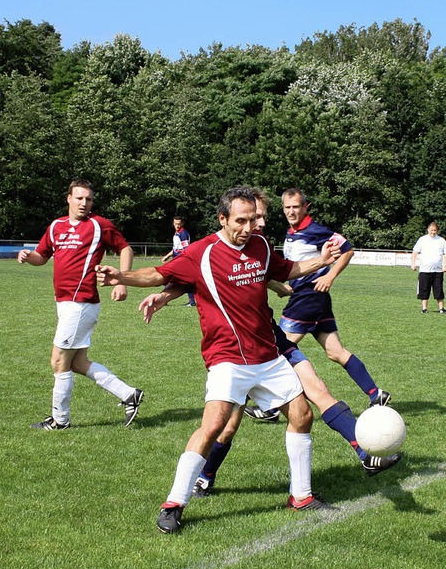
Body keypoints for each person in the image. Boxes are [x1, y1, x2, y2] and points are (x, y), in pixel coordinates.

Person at [97, 187, 342, 534]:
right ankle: (174, 503)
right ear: (223, 219)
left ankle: (301, 496)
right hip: (227, 357)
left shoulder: (260, 245)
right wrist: (122, 276)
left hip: (268, 356)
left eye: (252, 220)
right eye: (240, 221)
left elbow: (288, 269)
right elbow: (159, 273)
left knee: (302, 416)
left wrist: (323, 259)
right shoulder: (202, 252)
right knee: (212, 426)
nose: (247, 227)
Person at [140, 189, 401, 499]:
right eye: (254, 216)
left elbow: (272, 274)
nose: (259, 223)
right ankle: (204, 478)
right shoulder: (235, 244)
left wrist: (296, 277)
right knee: (228, 422)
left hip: (269, 335)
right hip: (247, 342)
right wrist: (164, 295)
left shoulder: (258, 244)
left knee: (313, 391)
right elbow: (197, 277)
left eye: (261, 217)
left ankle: (362, 451)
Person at [17, 179, 144, 430]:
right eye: (79, 198)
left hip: (81, 302)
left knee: (58, 361)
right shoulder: (56, 226)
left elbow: (125, 248)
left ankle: (60, 421)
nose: (84, 203)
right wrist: (27, 256)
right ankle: (129, 394)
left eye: (88, 199)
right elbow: (42, 257)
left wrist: (122, 280)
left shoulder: (99, 225)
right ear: (69, 199)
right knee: (76, 363)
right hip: (64, 302)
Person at [279, 188, 390, 407]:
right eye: (287, 207)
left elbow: (347, 250)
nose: (291, 211)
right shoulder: (291, 232)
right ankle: (376, 394)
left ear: (305, 207)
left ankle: (272, 407)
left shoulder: (315, 230)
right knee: (336, 352)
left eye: (295, 207)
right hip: (314, 300)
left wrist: (330, 275)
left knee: (278, 351)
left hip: (308, 299)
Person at [411, 221, 446, 314]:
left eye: (435, 230)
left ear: (437, 230)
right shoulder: (422, 240)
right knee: (424, 289)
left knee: (439, 290)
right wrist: (413, 263)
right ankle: (424, 309)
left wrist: (444, 265)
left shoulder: (442, 241)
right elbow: (415, 252)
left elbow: (445, 254)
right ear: (428, 229)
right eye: (431, 230)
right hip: (424, 270)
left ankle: (441, 309)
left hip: (438, 270)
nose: (433, 232)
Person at [161, 216, 195, 306]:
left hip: (180, 260)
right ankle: (191, 301)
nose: (177, 226)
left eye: (179, 224)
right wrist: (167, 256)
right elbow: (176, 248)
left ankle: (163, 299)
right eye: (176, 224)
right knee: (172, 278)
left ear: (182, 224)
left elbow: (186, 249)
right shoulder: (177, 233)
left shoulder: (183, 234)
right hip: (176, 259)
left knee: (169, 277)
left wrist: (183, 261)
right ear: (173, 224)